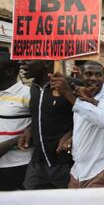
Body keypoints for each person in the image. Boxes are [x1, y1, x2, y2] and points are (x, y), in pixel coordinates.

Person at [50, 61, 104, 188]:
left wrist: (69, 95)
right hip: (78, 171)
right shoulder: (78, 92)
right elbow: (82, 123)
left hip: (101, 169)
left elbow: (102, 119)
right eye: (88, 74)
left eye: (98, 75)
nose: (94, 78)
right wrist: (70, 136)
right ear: (80, 77)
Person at [19, 60, 75, 189]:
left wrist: (71, 134)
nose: (22, 63)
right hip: (37, 163)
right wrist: (30, 129)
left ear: (46, 63)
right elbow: (40, 115)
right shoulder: (33, 88)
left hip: (64, 164)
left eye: (28, 59)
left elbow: (86, 117)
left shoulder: (70, 85)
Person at [0, 51, 32, 191]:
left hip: (18, 167)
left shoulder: (27, 94)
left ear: (8, 71)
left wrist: (17, 139)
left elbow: (40, 124)